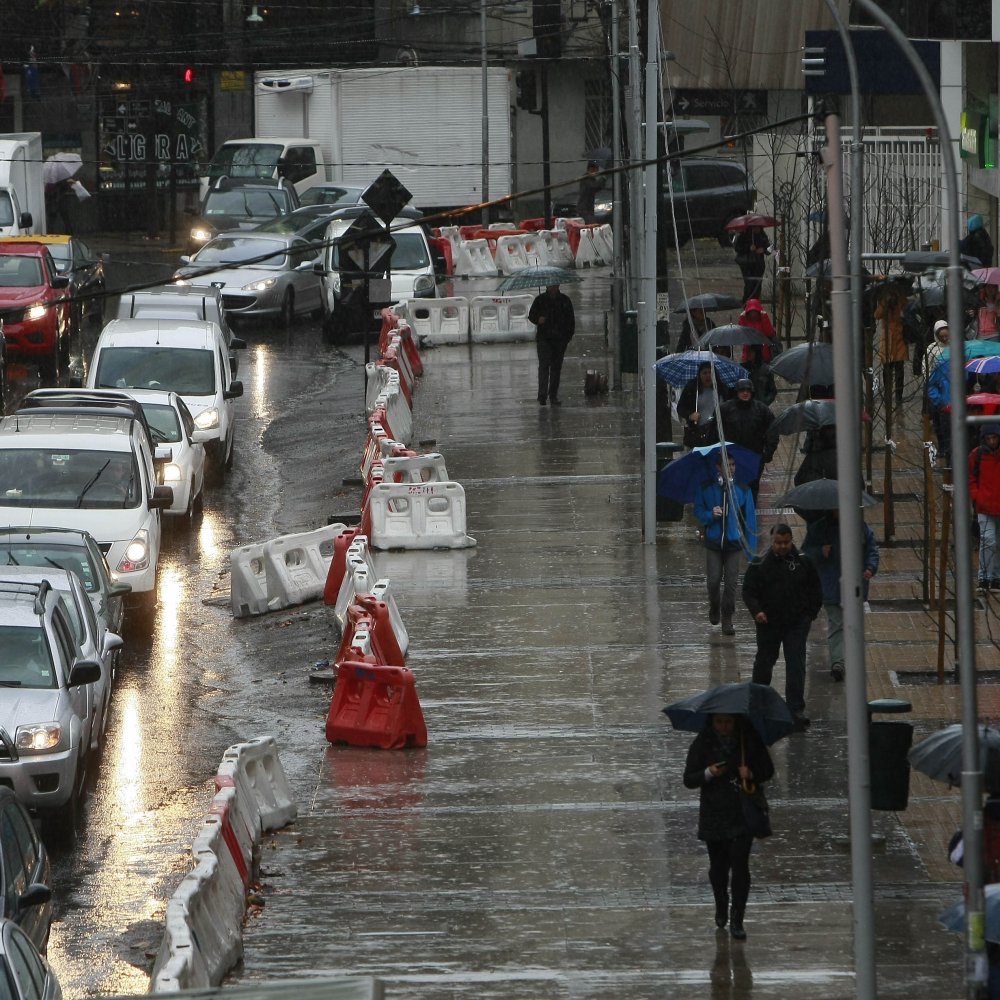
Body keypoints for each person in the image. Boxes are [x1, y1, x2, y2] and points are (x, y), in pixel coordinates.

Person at [682, 713, 774, 940]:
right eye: (719, 722)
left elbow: (767, 770)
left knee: (740, 864)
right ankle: (721, 904)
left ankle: (737, 918)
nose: (724, 727)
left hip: (742, 811)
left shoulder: (748, 740)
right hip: (715, 812)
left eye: (728, 722)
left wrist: (750, 773)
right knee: (719, 866)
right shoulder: (703, 742)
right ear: (712, 722)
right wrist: (709, 772)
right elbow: (689, 779)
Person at [742, 523, 823, 731]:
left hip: (796, 623)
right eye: (779, 543)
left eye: (786, 542)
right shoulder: (760, 563)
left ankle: (795, 709)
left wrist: (808, 615)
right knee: (764, 664)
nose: (782, 546)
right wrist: (757, 611)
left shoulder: (803, 562)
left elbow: (815, 590)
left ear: (791, 541)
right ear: (772, 541)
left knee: (796, 666)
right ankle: (759, 706)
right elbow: (749, 591)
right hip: (769, 623)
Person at [802, 509, 879, 681]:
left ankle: (850, 660)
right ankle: (838, 662)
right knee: (836, 624)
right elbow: (805, 553)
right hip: (830, 586)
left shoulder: (859, 526)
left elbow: (871, 549)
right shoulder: (819, 528)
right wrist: (820, 551)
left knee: (852, 624)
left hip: (855, 586)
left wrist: (870, 567)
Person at [693, 452, 757, 635]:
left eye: (733, 464)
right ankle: (714, 605)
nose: (731, 468)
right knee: (713, 581)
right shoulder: (706, 488)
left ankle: (727, 617)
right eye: (727, 465)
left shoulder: (743, 490)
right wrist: (710, 515)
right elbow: (698, 511)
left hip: (733, 544)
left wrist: (751, 552)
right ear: (718, 467)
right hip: (713, 543)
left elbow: (750, 521)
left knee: (731, 583)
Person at [719, 378, 777, 500]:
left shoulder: (761, 410)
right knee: (732, 487)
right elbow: (716, 430)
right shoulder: (725, 409)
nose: (745, 393)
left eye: (748, 390)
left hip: (754, 456)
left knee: (751, 488)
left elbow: (773, 430)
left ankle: (749, 514)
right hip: (732, 457)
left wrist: (768, 452)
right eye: (742, 391)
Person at [528, 283, 575, 406]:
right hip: (544, 339)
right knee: (544, 366)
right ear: (546, 287)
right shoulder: (540, 300)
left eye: (554, 286)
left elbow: (571, 321)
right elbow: (531, 315)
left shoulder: (565, 301)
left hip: (559, 340)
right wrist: (538, 319)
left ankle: (553, 395)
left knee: (556, 368)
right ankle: (542, 395)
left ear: (558, 286)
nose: (552, 288)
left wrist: (566, 338)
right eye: (550, 286)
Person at [969, 424, 1000, 592]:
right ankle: (984, 577)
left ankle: (995, 577)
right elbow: (970, 477)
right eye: (989, 438)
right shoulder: (977, 455)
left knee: (996, 542)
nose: (992, 441)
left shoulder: (977, 454)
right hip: (985, 505)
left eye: (994, 438)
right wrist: (977, 495)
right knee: (989, 540)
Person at [677, 362, 727, 449]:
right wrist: (690, 415)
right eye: (704, 373)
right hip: (697, 433)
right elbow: (680, 407)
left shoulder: (722, 389)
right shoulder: (692, 388)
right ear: (699, 375)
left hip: (717, 433)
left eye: (710, 373)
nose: (708, 376)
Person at [875, 283, 908, 408]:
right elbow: (877, 315)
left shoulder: (902, 300)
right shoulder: (884, 301)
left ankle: (899, 396)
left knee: (899, 369)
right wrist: (885, 304)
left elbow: (907, 311)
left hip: (899, 337)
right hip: (887, 338)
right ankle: (888, 394)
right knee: (887, 369)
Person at [732, 226, 771, 303]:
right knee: (749, 283)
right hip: (747, 264)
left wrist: (763, 249)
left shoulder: (762, 235)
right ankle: (747, 302)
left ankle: (755, 302)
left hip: (758, 263)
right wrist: (748, 248)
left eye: (758, 228)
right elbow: (737, 248)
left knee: (757, 284)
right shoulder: (743, 235)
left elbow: (769, 248)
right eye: (755, 228)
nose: (757, 229)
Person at [736, 298, 777, 367]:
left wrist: (765, 317)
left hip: (763, 354)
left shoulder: (763, 320)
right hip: (748, 353)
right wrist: (742, 318)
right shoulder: (745, 320)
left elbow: (770, 333)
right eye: (751, 312)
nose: (753, 314)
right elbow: (741, 333)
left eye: (755, 312)